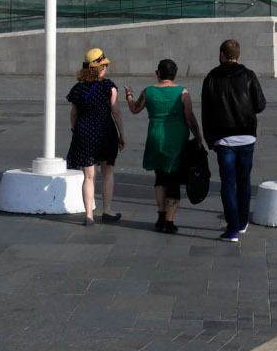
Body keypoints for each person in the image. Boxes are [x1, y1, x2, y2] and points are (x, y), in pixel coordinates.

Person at [200, 38, 266, 242]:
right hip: (246, 137)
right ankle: (243, 221)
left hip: (224, 140)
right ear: (238, 55)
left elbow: (206, 112)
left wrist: (210, 140)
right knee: (244, 180)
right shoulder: (249, 75)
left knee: (228, 183)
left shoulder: (211, 78)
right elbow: (260, 105)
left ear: (222, 54)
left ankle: (233, 228)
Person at [129, 58, 203, 234]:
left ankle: (160, 216)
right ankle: (169, 222)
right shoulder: (182, 92)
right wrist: (198, 136)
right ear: (174, 74)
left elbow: (134, 109)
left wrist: (129, 95)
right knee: (174, 179)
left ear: (159, 73)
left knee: (160, 177)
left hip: (155, 137)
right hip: (175, 139)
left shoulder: (148, 91)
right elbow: (189, 117)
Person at [67, 48, 125, 226]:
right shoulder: (109, 86)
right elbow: (116, 112)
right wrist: (122, 134)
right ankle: (107, 211)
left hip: (84, 133)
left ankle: (89, 215)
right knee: (107, 172)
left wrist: (76, 131)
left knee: (88, 176)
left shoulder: (78, 88)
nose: (106, 68)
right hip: (105, 132)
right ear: (100, 68)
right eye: (104, 65)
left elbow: (74, 114)